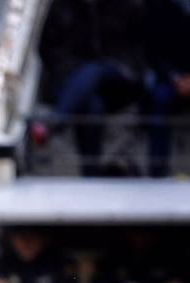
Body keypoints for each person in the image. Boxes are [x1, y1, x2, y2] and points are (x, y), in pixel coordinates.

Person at [36, 0, 146, 176]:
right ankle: (91, 173)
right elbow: (48, 49)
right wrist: (73, 73)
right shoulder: (64, 8)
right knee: (92, 105)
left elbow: (135, 41)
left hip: (121, 74)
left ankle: (56, 121)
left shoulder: (122, 6)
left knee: (93, 71)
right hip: (78, 81)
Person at [145, 0, 190, 177]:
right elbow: (154, 53)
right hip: (172, 79)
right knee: (160, 97)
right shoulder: (162, 8)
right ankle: (157, 171)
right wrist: (176, 78)